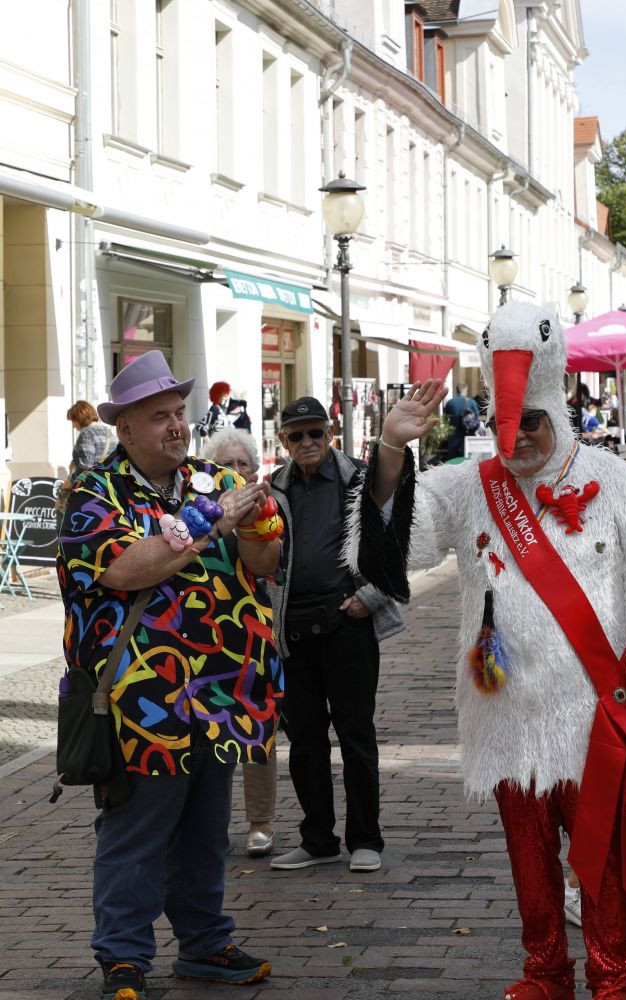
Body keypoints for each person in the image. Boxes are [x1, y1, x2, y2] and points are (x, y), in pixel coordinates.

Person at [353, 302, 626, 1000]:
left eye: (532, 423)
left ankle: (612, 980)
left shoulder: (614, 480)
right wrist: (393, 449)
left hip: (592, 714)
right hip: (506, 715)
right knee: (528, 859)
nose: (516, 438)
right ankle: (546, 971)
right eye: (505, 424)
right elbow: (393, 557)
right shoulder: (468, 484)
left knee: (602, 859)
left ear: (558, 407)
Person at [57, 350, 282, 1000]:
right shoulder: (94, 494)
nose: (177, 425)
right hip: (141, 702)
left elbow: (263, 563)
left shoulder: (214, 478)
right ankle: (123, 959)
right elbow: (127, 569)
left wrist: (258, 526)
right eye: (159, 416)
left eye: (179, 412)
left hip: (219, 692)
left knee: (206, 831)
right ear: (124, 429)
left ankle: (205, 943)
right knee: (136, 832)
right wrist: (212, 521)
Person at [267, 397, 403, 875]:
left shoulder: (360, 479)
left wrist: (372, 596)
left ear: (330, 434)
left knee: (355, 734)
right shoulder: (274, 487)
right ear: (283, 441)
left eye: (315, 432)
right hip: (293, 629)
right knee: (304, 740)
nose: (307, 442)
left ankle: (365, 839)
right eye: (297, 435)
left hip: (348, 622)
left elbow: (398, 538)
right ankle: (318, 839)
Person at [200, 427, 279, 858]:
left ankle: (260, 822)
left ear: (253, 469)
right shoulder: (197, 510)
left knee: (256, 729)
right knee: (211, 730)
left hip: (251, 633)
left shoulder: (264, 508)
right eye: (224, 465)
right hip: (207, 634)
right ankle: (212, 824)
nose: (234, 471)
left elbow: (270, 564)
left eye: (242, 464)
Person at [66, 400, 117, 476]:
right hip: (109, 479)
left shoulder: (86, 434)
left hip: (92, 481)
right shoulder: (108, 432)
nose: (73, 426)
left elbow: (86, 466)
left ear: (80, 418)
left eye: (73, 421)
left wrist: (71, 479)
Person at [443, 383, 481, 460]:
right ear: (466, 390)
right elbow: (477, 417)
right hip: (469, 437)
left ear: (457, 391)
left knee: (453, 461)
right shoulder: (472, 402)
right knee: (468, 460)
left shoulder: (450, 402)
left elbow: (445, 418)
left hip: (454, 436)